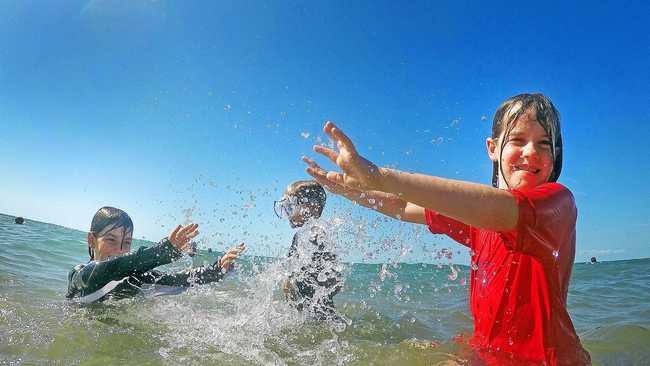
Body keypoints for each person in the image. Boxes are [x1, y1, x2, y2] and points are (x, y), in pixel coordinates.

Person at [303, 93, 591, 365]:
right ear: (492, 148)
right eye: (518, 139)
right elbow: (402, 208)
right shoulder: (478, 217)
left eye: (544, 144)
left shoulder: (558, 204)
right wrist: (352, 190)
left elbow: (499, 209)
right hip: (487, 354)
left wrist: (378, 176)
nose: (531, 152)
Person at [67, 206, 245, 303]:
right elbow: (106, 270)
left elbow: (179, 279)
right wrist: (164, 250)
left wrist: (217, 269)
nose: (120, 251)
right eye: (111, 240)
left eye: (126, 243)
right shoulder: (79, 275)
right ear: (91, 240)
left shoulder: (132, 278)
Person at [274, 180, 342, 319]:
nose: (286, 212)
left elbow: (334, 280)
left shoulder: (316, 235)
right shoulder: (300, 236)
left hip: (318, 315)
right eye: (284, 206)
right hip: (308, 312)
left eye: (289, 206)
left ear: (312, 207)